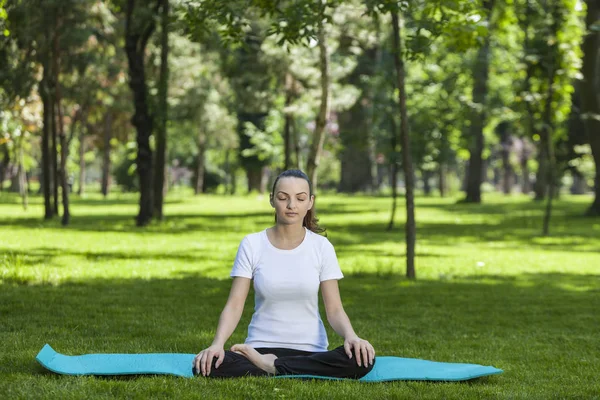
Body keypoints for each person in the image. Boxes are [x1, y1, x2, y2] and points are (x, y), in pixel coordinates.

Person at [193, 169, 376, 379]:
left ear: (310, 202)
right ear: (272, 200)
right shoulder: (252, 244)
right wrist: (217, 345)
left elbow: (334, 309)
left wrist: (351, 337)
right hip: (260, 348)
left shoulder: (321, 247)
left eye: (300, 198)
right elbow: (235, 305)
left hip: (311, 350)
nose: (291, 205)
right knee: (207, 365)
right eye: (283, 198)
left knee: (362, 359)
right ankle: (278, 365)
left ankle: (273, 366)